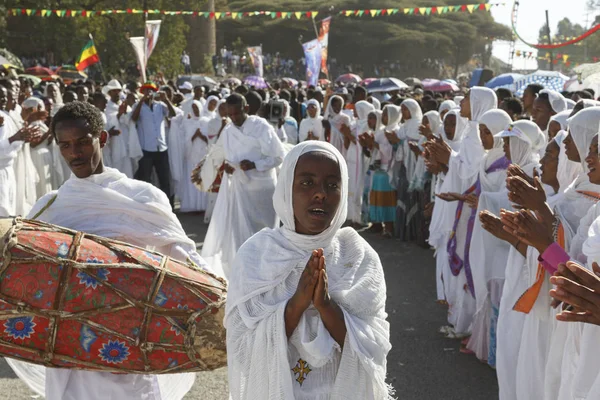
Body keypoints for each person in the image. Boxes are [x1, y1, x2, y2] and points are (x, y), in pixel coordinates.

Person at [6, 101, 216, 400]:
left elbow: (184, 258)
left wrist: (223, 301)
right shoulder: (50, 206)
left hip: (129, 335)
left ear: (101, 139)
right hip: (70, 346)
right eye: (65, 145)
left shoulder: (142, 196)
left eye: (82, 142)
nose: (74, 153)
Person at [225, 141, 392, 399]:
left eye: (332, 185)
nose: (321, 194)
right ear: (285, 191)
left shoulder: (357, 255)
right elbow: (240, 346)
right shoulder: (257, 254)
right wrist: (296, 305)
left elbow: (374, 345)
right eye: (306, 183)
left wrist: (326, 306)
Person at [201, 94, 285, 278]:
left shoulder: (261, 127)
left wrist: (255, 164)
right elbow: (219, 155)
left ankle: (267, 276)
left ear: (246, 109)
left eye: (237, 113)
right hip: (239, 191)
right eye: (230, 115)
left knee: (264, 236)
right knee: (239, 236)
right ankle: (244, 276)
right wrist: (228, 168)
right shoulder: (229, 131)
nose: (234, 118)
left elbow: (279, 156)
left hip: (262, 191)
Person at [131, 82, 176, 202]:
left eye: (151, 90)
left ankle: (168, 206)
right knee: (145, 179)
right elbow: (134, 119)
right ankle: (146, 204)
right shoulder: (138, 105)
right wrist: (141, 102)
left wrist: (166, 100)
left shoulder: (160, 105)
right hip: (146, 149)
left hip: (161, 148)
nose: (148, 93)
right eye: (146, 91)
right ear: (142, 92)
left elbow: (173, 114)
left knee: (164, 180)